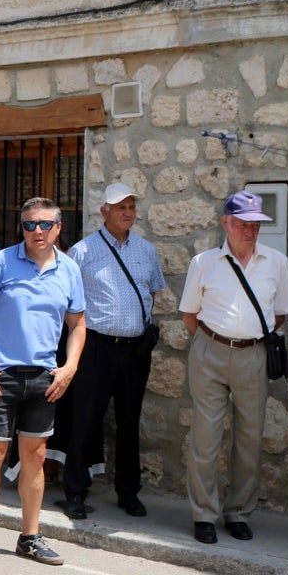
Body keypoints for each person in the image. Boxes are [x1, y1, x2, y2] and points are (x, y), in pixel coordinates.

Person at [0, 197, 85, 566]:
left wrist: (70, 368)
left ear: (58, 228)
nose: (37, 231)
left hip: (44, 377)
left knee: (35, 458)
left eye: (44, 224)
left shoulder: (69, 269)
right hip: (0, 374)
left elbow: (78, 324)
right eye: (29, 224)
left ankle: (29, 537)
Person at [179, 190, 288, 544]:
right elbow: (189, 316)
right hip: (210, 352)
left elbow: (280, 314)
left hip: (254, 355)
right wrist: (214, 342)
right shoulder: (204, 262)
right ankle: (203, 514)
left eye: (256, 224)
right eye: (243, 224)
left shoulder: (276, 262)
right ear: (226, 224)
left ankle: (239, 513)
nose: (250, 230)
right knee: (206, 437)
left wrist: (248, 339)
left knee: (249, 438)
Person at [62, 184, 166, 520]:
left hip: (135, 349)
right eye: (120, 207)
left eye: (132, 207)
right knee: (85, 419)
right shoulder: (83, 251)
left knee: (129, 422)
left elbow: (153, 292)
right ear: (104, 211)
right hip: (95, 346)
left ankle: (128, 492)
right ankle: (76, 492)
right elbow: (69, 302)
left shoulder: (147, 251)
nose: (127, 212)